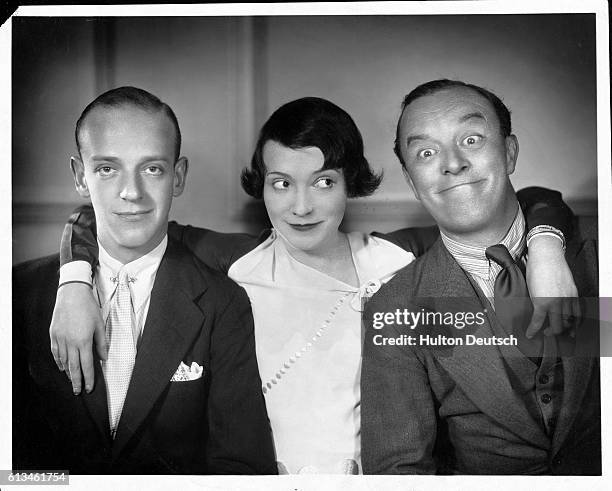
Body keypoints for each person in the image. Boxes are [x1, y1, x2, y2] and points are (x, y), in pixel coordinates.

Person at [49, 97, 577, 474]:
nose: (301, 207)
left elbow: (515, 200)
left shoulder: (401, 260)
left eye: (324, 181)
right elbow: (108, 214)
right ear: (264, 186)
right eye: (281, 183)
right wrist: (74, 281)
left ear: (352, 184)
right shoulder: (230, 263)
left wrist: (548, 244)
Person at [12, 87, 276, 474]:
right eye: (107, 169)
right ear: (80, 178)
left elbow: (240, 469)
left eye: (152, 168)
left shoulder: (223, 303)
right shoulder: (18, 293)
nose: (131, 192)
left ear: (178, 176)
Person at [360, 79, 600, 474]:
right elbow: (400, 472)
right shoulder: (396, 308)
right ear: (411, 181)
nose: (452, 163)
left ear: (509, 152)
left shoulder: (595, 254)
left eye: (471, 140)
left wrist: (545, 243)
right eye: (426, 152)